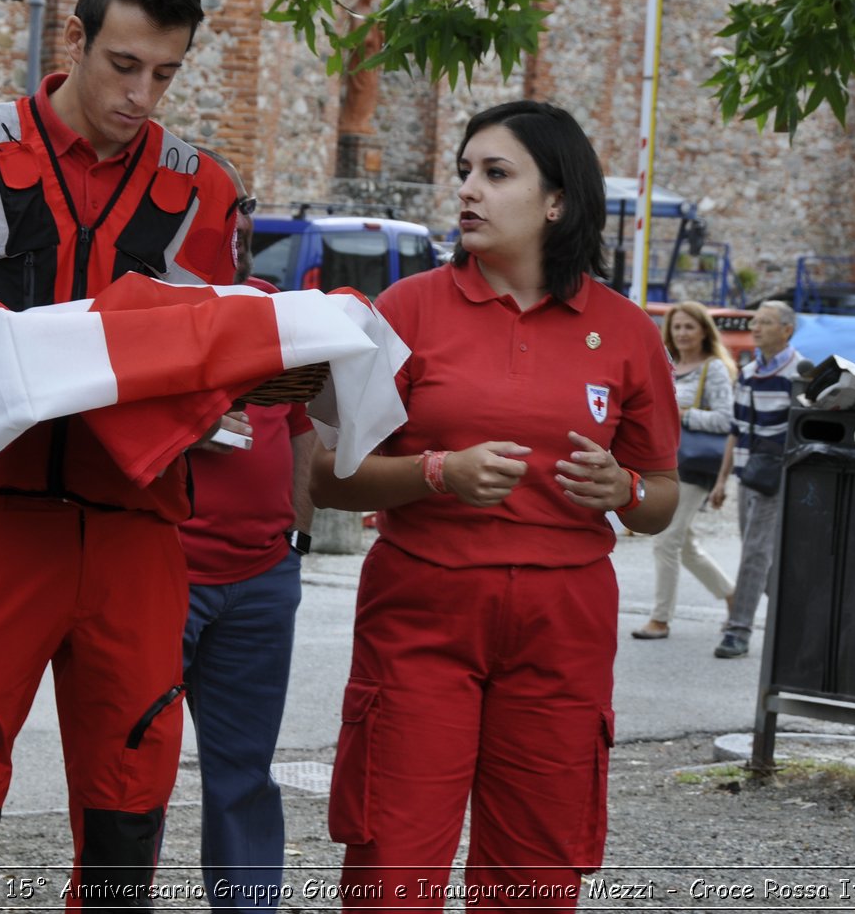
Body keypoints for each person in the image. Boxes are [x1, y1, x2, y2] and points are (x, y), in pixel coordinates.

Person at [0, 0, 240, 909]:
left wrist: (256, 385)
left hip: (137, 532)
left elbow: (225, 370)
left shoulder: (207, 190)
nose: (142, 96)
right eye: (124, 65)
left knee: (128, 834)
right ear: (73, 37)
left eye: (165, 73)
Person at [308, 100, 680, 911]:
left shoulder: (625, 332)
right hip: (421, 615)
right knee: (391, 865)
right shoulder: (403, 311)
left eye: (496, 173)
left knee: (536, 874)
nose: (469, 190)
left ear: (557, 201)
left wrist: (624, 491)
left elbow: (661, 498)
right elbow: (327, 476)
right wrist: (436, 472)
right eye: (465, 172)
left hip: (564, 625)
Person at [175, 148, 315, 911]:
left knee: (244, 770)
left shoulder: (273, 309)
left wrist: (295, 537)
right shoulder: (146, 308)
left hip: (262, 577)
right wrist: (182, 425)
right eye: (221, 211)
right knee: (131, 769)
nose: (236, 227)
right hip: (163, 571)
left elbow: (299, 431)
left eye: (240, 212)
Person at [632, 301, 737, 640]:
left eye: (689, 326)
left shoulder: (714, 369)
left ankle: (660, 619)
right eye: (676, 327)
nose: (681, 333)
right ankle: (731, 594)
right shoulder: (669, 364)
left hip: (695, 464)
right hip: (666, 461)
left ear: (704, 330)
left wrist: (683, 414)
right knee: (685, 542)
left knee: (666, 540)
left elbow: (726, 419)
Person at [709, 299, 802, 659]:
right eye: (755, 322)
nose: (755, 328)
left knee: (754, 554)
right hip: (747, 476)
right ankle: (797, 622)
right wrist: (722, 480)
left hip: (774, 478)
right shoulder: (747, 373)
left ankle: (739, 630)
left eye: (764, 322)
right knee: (765, 558)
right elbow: (736, 429)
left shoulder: (799, 373)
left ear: (786, 330)